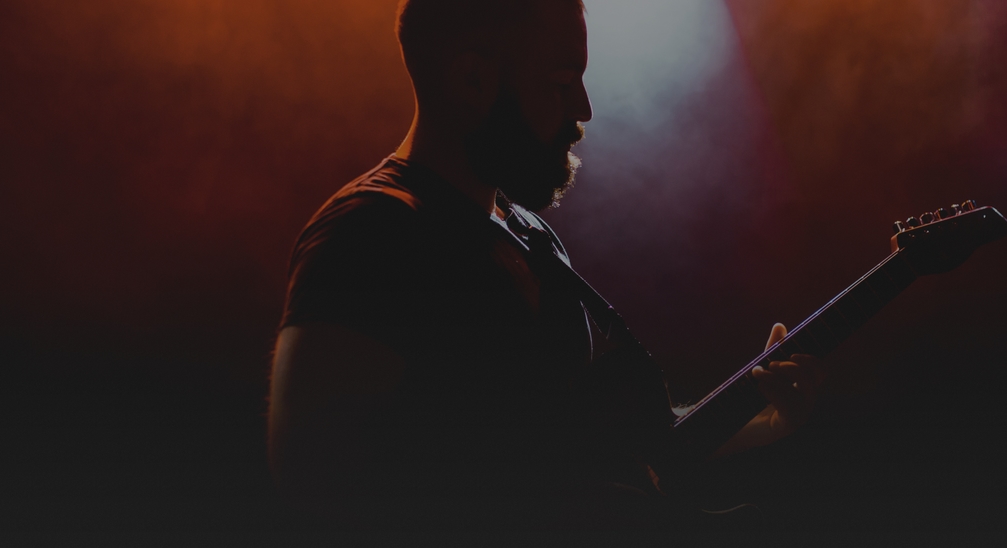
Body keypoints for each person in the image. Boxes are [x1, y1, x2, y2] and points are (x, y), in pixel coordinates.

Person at [266, 0, 823, 536]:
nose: (584, 107)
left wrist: (757, 420)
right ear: (472, 80)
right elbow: (316, 487)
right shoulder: (371, 232)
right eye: (561, 82)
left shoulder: (530, 234)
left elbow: (586, 449)